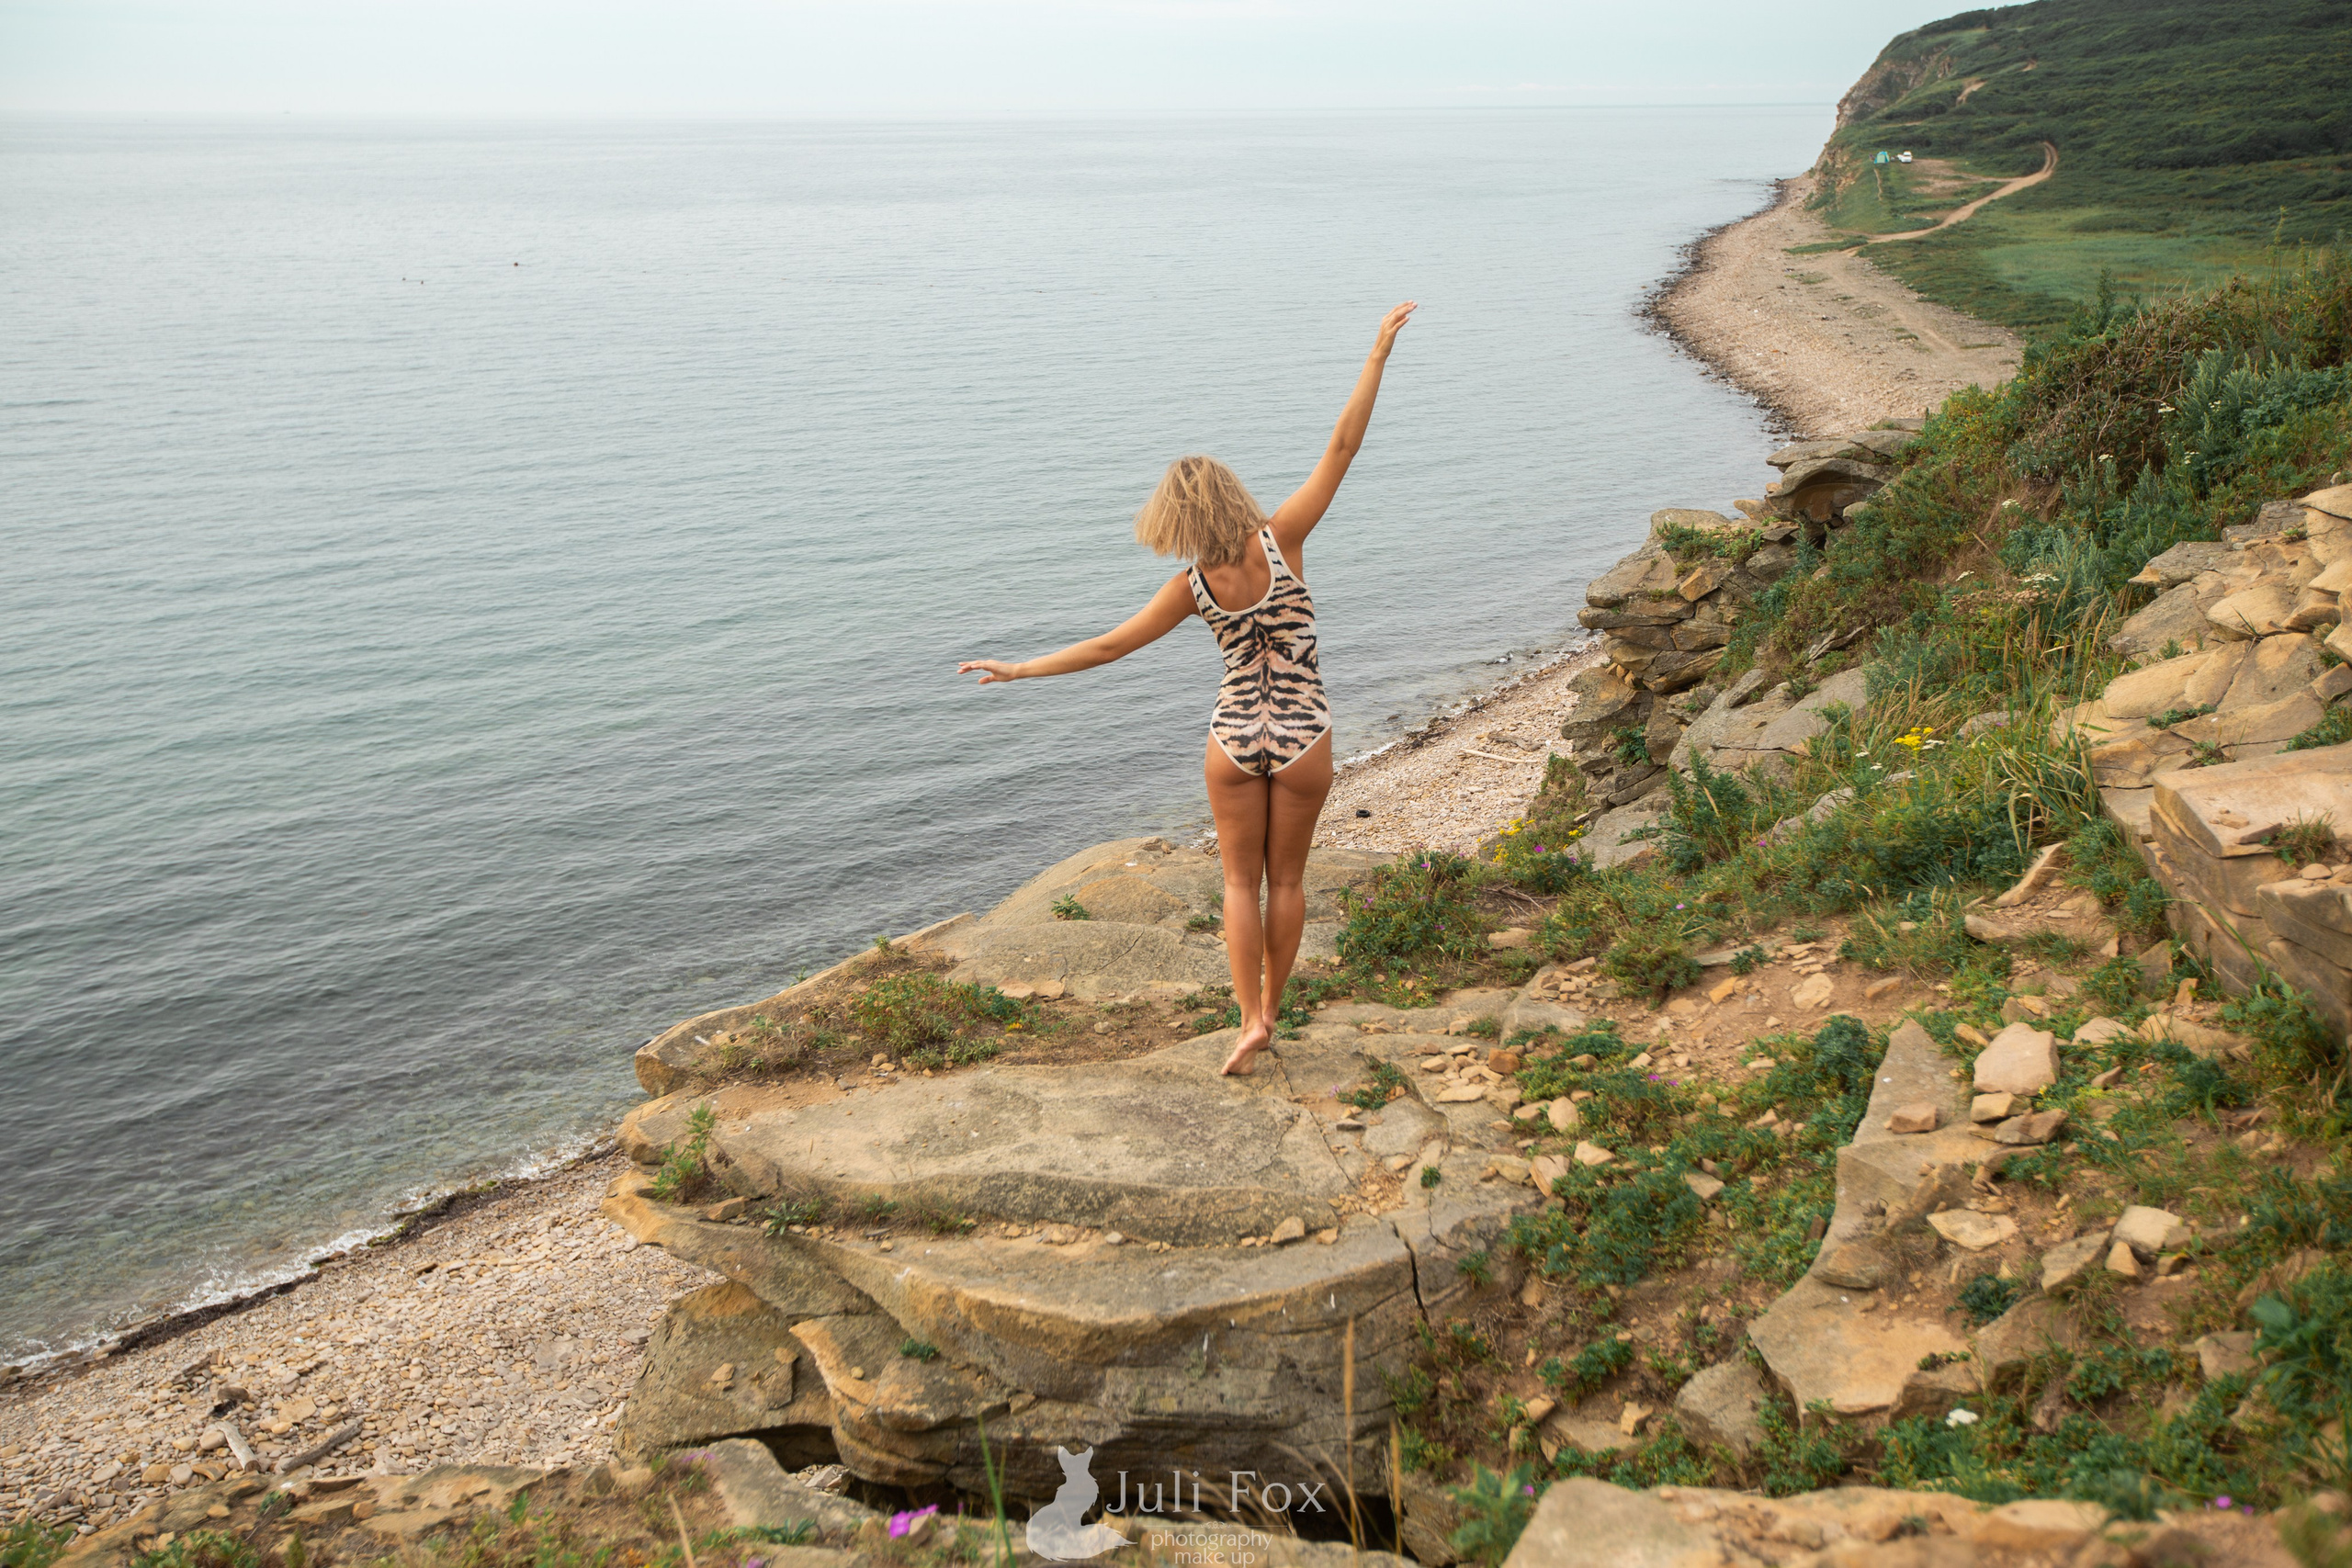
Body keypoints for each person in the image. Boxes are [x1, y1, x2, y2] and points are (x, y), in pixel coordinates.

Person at [957, 301, 1417, 1076]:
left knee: (1238, 880)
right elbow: (1342, 446)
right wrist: (1376, 354)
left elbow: (1109, 646)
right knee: (1289, 880)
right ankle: (1274, 1007)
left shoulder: (1190, 587)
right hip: (1303, 732)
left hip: (1233, 737)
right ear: (1234, 496)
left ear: (1174, 516)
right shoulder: (1285, 538)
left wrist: (1020, 668)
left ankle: (1247, 1019)